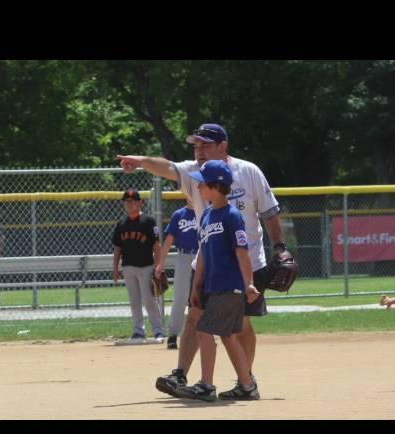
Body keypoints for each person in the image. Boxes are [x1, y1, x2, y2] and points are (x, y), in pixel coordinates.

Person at [117, 123, 286, 396]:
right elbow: (167, 167)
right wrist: (140, 162)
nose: (199, 150)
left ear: (223, 146)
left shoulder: (248, 172)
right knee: (195, 317)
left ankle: (245, 379)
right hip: (208, 262)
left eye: (205, 144)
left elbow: (269, 213)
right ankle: (181, 375)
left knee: (239, 324)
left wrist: (279, 248)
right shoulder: (195, 174)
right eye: (196, 145)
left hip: (245, 265)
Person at [172, 160, 260, 401]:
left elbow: (242, 252)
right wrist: (196, 284)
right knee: (228, 335)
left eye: (202, 185)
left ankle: (207, 385)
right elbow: (202, 253)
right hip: (212, 283)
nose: (198, 189)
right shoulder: (208, 214)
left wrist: (249, 282)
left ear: (215, 186)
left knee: (205, 329)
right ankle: (247, 385)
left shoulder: (232, 216)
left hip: (229, 284)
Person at [112, 188, 165, 342]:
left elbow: (156, 245)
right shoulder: (121, 224)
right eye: (127, 202)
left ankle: (158, 331)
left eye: (133, 201)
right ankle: (138, 331)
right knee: (134, 300)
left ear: (140, 202)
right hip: (128, 267)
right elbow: (117, 248)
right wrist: (115, 268)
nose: (129, 204)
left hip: (146, 266)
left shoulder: (148, 222)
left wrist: (158, 266)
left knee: (149, 300)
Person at [154, 198, 199, 350]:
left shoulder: (206, 211)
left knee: (204, 295)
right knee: (180, 297)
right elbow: (168, 241)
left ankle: (206, 333)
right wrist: (160, 263)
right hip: (183, 257)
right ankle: (173, 334)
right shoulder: (179, 215)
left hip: (203, 256)